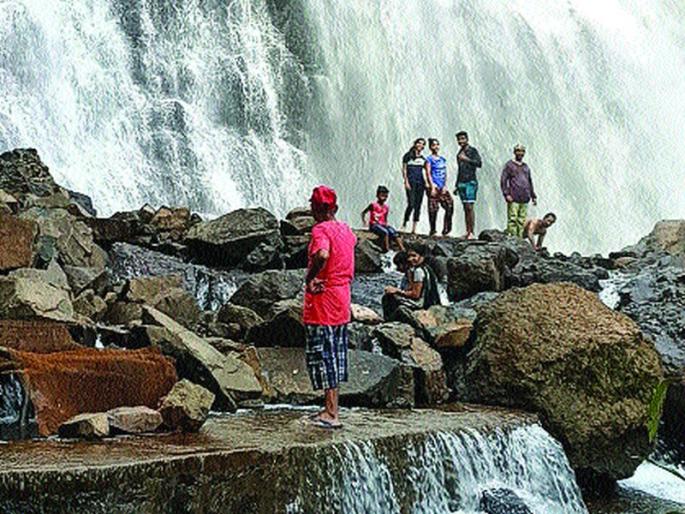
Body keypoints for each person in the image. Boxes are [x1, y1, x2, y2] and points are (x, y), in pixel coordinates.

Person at [303, 185, 357, 429]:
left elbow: (323, 254)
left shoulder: (320, 230)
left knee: (324, 356)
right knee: (336, 354)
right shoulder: (347, 230)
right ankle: (331, 408)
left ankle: (331, 412)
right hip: (342, 297)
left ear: (315, 209)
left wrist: (310, 277)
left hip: (323, 300)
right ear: (335, 208)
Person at [382, 246, 441, 320]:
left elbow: (416, 294)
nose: (410, 259)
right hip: (430, 302)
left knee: (388, 298)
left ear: (421, 256)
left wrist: (396, 290)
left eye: (414, 256)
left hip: (421, 304)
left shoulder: (418, 271)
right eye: (409, 256)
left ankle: (390, 320)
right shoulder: (426, 268)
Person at [501, 144, 537, 237]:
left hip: (525, 197)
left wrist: (533, 196)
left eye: (522, 151)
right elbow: (503, 180)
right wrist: (506, 194)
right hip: (514, 196)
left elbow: (529, 181)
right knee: (513, 219)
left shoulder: (526, 167)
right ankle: (512, 236)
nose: (520, 153)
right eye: (518, 151)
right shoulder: (509, 165)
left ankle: (519, 238)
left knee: (521, 220)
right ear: (514, 152)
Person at [454, 131, 483, 240]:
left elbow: (479, 163)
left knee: (470, 207)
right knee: (465, 208)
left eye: (463, 139)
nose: (461, 141)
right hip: (461, 182)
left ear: (467, 139)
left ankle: (472, 232)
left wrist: (466, 159)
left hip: (471, 181)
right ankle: (467, 231)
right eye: (459, 139)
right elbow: (459, 169)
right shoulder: (459, 153)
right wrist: (456, 184)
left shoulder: (472, 151)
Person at [361, 185, 405, 253]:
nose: (384, 198)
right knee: (385, 232)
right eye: (382, 195)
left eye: (385, 196)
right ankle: (386, 249)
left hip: (382, 224)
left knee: (393, 232)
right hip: (374, 224)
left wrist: (386, 224)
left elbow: (385, 218)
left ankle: (402, 249)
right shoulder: (373, 205)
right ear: (377, 195)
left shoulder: (386, 207)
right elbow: (363, 213)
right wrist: (364, 221)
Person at [425, 138, 454, 237]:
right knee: (433, 209)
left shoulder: (442, 159)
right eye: (434, 145)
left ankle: (446, 230)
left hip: (442, 187)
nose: (436, 147)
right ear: (430, 147)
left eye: (437, 145)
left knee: (449, 206)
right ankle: (433, 230)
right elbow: (428, 173)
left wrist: (445, 185)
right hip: (434, 186)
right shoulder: (429, 159)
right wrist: (432, 186)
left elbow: (445, 173)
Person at [401, 138, 428, 234]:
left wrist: (428, 184)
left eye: (423, 144)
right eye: (419, 143)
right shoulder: (408, 156)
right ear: (415, 144)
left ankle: (414, 228)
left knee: (418, 205)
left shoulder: (423, 159)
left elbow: (427, 172)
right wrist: (406, 182)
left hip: (420, 183)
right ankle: (405, 222)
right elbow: (404, 170)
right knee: (411, 203)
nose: (421, 145)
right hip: (411, 182)